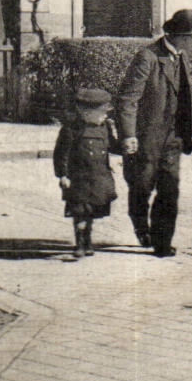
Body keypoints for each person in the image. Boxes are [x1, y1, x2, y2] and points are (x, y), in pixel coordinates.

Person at [115, 9, 192, 257]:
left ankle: (162, 241)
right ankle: (140, 226)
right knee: (141, 186)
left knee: (170, 189)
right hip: (146, 138)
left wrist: (187, 131)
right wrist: (128, 135)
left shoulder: (182, 57)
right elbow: (127, 99)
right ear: (183, 37)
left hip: (173, 138)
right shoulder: (148, 57)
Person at [54, 88, 119, 259]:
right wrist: (63, 175)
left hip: (98, 177)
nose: (105, 116)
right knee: (80, 211)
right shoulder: (72, 129)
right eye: (102, 112)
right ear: (86, 113)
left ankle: (88, 241)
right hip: (79, 179)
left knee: (91, 211)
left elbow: (112, 145)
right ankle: (80, 244)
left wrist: (126, 148)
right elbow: (62, 153)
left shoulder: (105, 128)